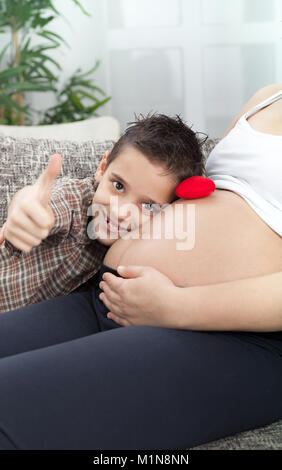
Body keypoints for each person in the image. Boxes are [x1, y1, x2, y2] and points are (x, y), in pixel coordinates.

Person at [0, 84, 281, 450]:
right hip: (110, 297)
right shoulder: (267, 97)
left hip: (231, 335)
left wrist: (176, 306)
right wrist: (27, 206)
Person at [0, 114, 206, 312]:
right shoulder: (77, 201)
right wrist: (25, 209)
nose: (121, 211)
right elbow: (46, 202)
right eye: (118, 186)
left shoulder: (149, 244)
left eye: (148, 206)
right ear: (102, 167)